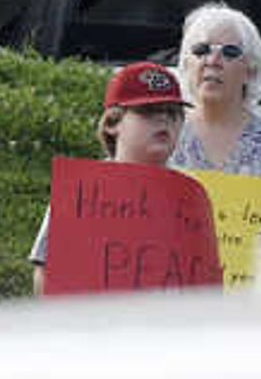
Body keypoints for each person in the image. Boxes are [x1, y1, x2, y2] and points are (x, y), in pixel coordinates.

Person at [25, 60, 187, 278]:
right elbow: (45, 271)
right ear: (112, 123)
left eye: (174, 113)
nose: (164, 119)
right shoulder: (80, 188)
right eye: (149, 111)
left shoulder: (189, 194)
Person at [171, 2, 261, 180]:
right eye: (201, 50)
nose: (212, 61)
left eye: (230, 52)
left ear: (251, 69)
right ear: (187, 63)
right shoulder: (163, 138)